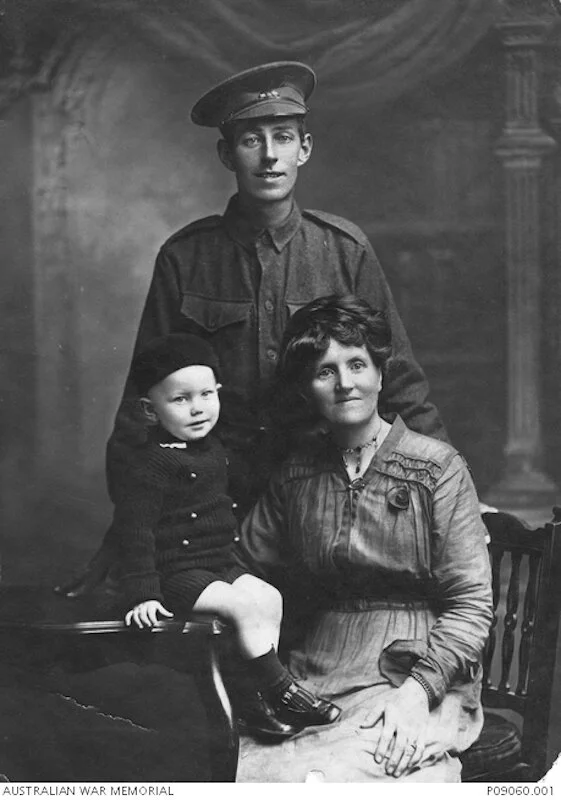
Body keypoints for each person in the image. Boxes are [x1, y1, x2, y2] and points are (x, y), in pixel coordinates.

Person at [63, 61, 448, 592]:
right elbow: (142, 400)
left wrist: (449, 492)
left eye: (283, 138)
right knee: (231, 650)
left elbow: (399, 379)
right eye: (251, 139)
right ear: (227, 154)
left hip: (327, 486)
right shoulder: (186, 257)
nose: (269, 156)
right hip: (217, 500)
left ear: (304, 149)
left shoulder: (343, 250)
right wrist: (134, 523)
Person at [234, 295, 493, 783]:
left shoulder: (437, 468)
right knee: (251, 776)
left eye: (357, 363)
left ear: (380, 372)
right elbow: (243, 565)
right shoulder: (295, 474)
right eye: (324, 371)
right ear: (306, 386)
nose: (345, 383)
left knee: (366, 774)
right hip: (313, 673)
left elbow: (472, 604)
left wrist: (417, 693)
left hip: (416, 669)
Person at [112, 331, 341, 739]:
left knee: (268, 597)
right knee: (243, 608)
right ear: (150, 410)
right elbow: (135, 531)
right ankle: (282, 690)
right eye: (180, 400)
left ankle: (255, 702)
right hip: (175, 573)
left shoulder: (214, 449)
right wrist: (143, 592)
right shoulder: (150, 465)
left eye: (206, 394)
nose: (198, 409)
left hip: (218, 562)